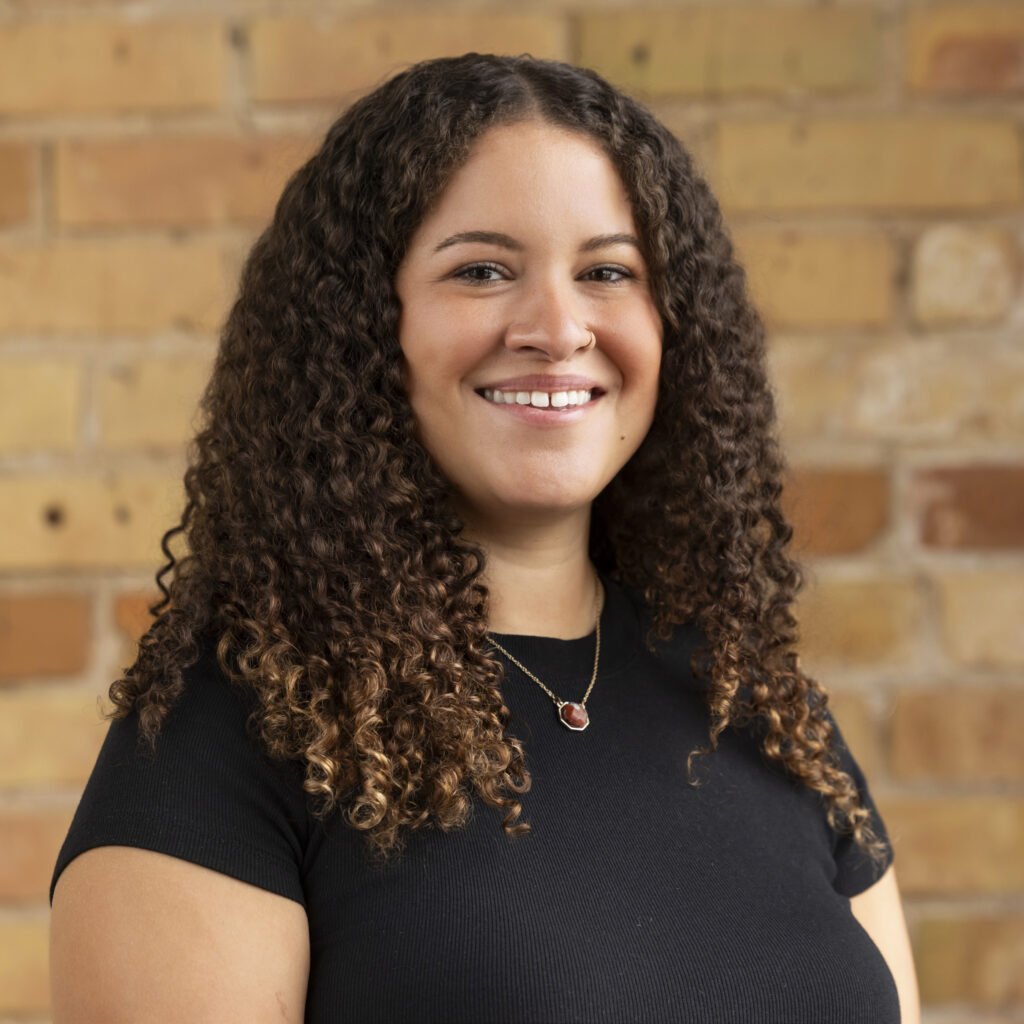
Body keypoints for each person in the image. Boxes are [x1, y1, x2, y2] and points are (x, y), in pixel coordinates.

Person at [49, 53, 919, 1023]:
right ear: (364, 327)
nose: (557, 325)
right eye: (481, 270)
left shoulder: (757, 704)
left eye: (607, 271)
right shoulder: (236, 734)